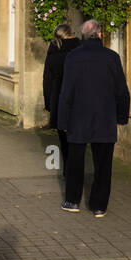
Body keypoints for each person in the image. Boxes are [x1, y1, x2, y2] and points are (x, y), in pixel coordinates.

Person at [57, 19, 130, 217]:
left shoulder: (73, 57)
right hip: (105, 117)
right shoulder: (112, 57)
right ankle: (99, 206)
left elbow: (66, 92)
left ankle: (72, 201)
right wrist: (122, 116)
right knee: (103, 164)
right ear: (100, 34)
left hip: (78, 118)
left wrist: (62, 121)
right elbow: (121, 91)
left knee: (75, 162)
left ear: (83, 35)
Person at [43, 22, 80, 176]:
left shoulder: (53, 54)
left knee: (64, 142)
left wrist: (49, 104)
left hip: (59, 101)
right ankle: (77, 170)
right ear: (71, 33)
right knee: (78, 141)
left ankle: (68, 171)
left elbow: (47, 81)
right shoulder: (80, 50)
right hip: (78, 101)